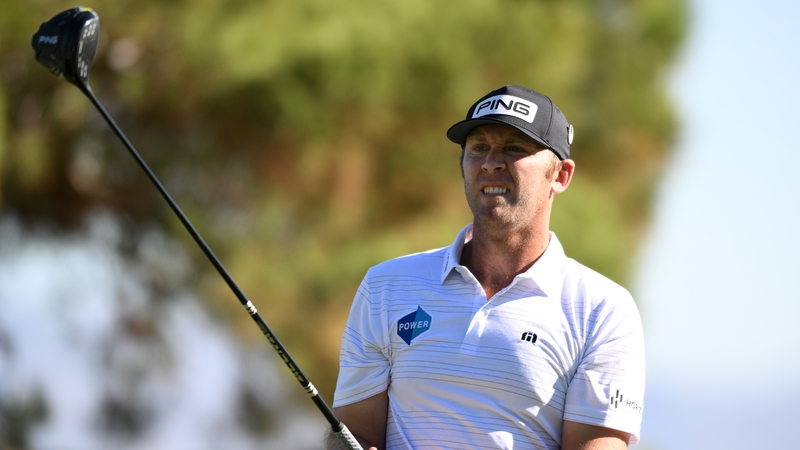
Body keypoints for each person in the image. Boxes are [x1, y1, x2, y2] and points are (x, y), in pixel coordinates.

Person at [325, 85, 645, 450]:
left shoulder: (602, 309)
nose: (492, 161)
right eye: (478, 148)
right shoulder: (386, 287)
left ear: (560, 176)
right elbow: (357, 434)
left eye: (514, 148)